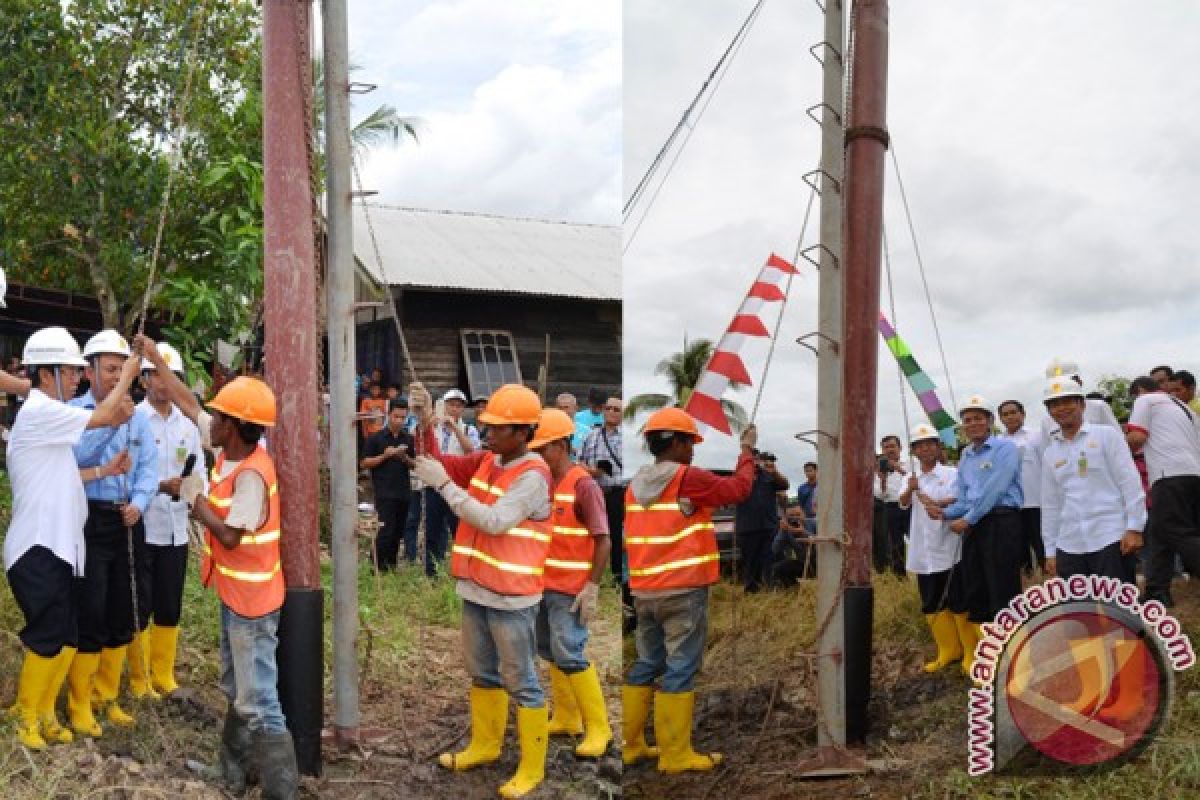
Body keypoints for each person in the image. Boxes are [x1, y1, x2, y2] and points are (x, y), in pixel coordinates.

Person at [137, 335, 298, 799]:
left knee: (259, 700)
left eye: (219, 416)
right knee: (236, 686)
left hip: (253, 606)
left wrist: (192, 496)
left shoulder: (250, 475)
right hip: (236, 596)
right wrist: (154, 358)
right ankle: (231, 771)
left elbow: (229, 534)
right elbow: (189, 404)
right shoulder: (231, 450)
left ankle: (280, 791)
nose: (210, 420)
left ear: (235, 425)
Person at [408, 382, 554, 799]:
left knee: (521, 680)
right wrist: (424, 422)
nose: (487, 434)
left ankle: (532, 768)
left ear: (524, 433)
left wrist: (443, 486)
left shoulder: (533, 477)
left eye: (497, 429)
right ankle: (485, 746)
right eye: (486, 426)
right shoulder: (490, 459)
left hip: (512, 598)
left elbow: (493, 521)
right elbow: (440, 464)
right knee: (482, 673)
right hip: (478, 590)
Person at [5, 327, 136, 750]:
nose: (79, 378)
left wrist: (102, 472)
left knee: (64, 635)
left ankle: (43, 712)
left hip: (61, 545)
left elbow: (66, 472)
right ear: (46, 375)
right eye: (71, 370)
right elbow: (103, 416)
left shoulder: (50, 417)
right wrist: (130, 370)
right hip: (39, 545)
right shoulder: (40, 410)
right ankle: (26, 718)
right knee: (48, 635)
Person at [622, 408, 755, 774]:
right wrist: (747, 454)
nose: (694, 450)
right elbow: (738, 490)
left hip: (645, 591)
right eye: (690, 442)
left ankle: (632, 745)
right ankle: (675, 755)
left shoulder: (636, 483)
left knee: (648, 663)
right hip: (682, 591)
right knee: (681, 666)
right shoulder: (686, 478)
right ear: (676, 442)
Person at [69, 329, 160, 730]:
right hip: (88, 519)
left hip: (125, 521)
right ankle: (80, 701)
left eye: (121, 369)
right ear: (89, 372)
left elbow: (148, 469)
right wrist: (110, 421)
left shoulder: (138, 419)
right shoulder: (75, 412)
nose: (114, 376)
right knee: (91, 606)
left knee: (124, 605)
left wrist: (139, 504)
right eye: (108, 369)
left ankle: (107, 696)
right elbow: (75, 461)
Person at [527, 409, 613, 758]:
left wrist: (591, 587)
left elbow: (603, 540)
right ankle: (567, 717)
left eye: (543, 449)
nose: (538, 456)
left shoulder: (583, 485)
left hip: (570, 589)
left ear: (561, 446)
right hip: (542, 585)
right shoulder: (545, 482)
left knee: (570, 652)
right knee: (548, 648)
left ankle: (600, 728)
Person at [135, 342, 205, 697]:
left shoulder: (188, 427)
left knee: (169, 602)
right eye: (159, 376)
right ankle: (139, 676)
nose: (165, 383)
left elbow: (201, 477)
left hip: (176, 527)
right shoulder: (133, 419)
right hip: (144, 525)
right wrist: (157, 486)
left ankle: (163, 673)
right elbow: (124, 474)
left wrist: (186, 486)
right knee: (140, 603)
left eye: (173, 377)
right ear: (145, 379)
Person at [938, 395, 1023, 674]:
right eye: (967, 420)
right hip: (974, 525)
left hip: (1000, 521)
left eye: (978, 418)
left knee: (1002, 587)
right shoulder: (965, 455)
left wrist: (967, 518)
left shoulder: (1004, 448)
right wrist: (944, 512)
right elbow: (964, 496)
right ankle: (992, 655)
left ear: (989, 421)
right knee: (977, 586)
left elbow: (996, 489)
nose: (972, 424)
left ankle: (1015, 656)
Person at [1040, 378, 1145, 582]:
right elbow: (1050, 504)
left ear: (1082, 404)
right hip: (1069, 543)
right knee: (1079, 610)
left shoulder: (1107, 436)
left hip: (1111, 537)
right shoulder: (1050, 453)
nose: (1061, 408)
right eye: (1054, 404)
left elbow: (1129, 482)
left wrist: (1134, 527)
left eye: (1068, 401)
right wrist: (1050, 551)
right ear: (1049, 412)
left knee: (1118, 610)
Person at [1126, 372, 1200, 607]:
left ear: (1139, 392)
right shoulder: (1185, 409)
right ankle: (1157, 591)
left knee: (1176, 531)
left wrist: (1114, 443)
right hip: (1192, 474)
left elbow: (1136, 437)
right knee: (1159, 535)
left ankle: (1158, 590)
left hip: (1169, 475)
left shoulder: (1145, 400)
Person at [898, 423, 965, 673]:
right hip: (922, 546)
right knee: (931, 599)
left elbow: (959, 499)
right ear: (914, 451)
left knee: (958, 597)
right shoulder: (910, 476)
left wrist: (935, 502)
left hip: (948, 542)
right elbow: (903, 504)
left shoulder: (952, 473)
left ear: (938, 447)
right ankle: (948, 650)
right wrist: (910, 489)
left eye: (930, 444)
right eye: (919, 445)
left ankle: (970, 652)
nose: (925, 449)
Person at [578, 396, 628, 619]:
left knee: (616, 537)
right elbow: (578, 462)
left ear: (623, 414)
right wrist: (592, 472)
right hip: (596, 491)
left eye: (616, 409)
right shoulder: (591, 436)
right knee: (592, 535)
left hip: (617, 492)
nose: (611, 412)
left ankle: (617, 578)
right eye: (608, 408)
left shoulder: (628, 440)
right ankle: (590, 577)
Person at [424, 388, 481, 576]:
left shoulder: (468, 429)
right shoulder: (433, 427)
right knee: (433, 530)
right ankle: (433, 572)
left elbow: (472, 452)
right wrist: (427, 424)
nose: (454, 409)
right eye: (451, 405)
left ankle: (461, 570)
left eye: (458, 406)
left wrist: (455, 428)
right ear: (444, 406)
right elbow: (423, 447)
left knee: (459, 530)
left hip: (457, 487)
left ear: (462, 409)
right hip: (434, 485)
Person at [360, 397, 414, 571]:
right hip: (384, 491)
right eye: (396, 417)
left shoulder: (408, 438)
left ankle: (391, 566)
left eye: (402, 418)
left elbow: (415, 463)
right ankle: (376, 567)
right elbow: (364, 462)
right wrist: (385, 456)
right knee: (385, 531)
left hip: (403, 491)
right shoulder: (376, 438)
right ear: (388, 415)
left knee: (398, 532)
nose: (398, 421)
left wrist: (404, 458)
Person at [997, 400, 1045, 574]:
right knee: (1018, 549)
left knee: (1042, 546)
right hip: (1011, 505)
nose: (1010, 417)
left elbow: (1047, 464)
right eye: (1005, 414)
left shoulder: (1037, 435)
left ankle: (1050, 585)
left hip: (1036, 501)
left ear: (1023, 414)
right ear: (1000, 419)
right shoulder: (997, 442)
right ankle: (1027, 586)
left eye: (1013, 412)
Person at [733, 450, 789, 592]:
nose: (756, 462)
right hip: (747, 527)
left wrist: (774, 472)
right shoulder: (740, 476)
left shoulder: (768, 475)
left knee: (768, 558)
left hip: (768, 525)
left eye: (757, 459)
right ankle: (751, 588)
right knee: (750, 560)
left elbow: (785, 485)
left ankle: (769, 586)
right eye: (752, 459)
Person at [1040, 358, 1120, 436]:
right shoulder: (1046, 420)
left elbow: (1118, 437)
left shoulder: (1098, 407)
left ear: (1079, 382)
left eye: (1068, 382)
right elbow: (1046, 448)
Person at [873, 435, 909, 576]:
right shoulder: (878, 470)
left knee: (917, 539)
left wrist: (899, 469)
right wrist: (883, 480)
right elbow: (879, 495)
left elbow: (917, 482)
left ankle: (923, 571)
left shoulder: (911, 463)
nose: (889, 450)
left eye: (892, 446)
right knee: (895, 544)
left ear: (900, 448)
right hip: (891, 508)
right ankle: (900, 576)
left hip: (911, 506)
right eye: (886, 447)